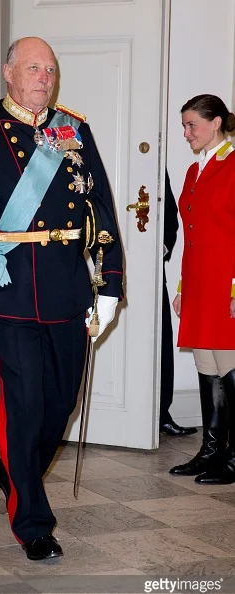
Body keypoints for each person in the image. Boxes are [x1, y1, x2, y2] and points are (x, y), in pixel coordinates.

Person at [0, 37, 123, 560]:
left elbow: (99, 207)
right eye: (34, 67)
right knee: (24, 402)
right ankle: (32, 522)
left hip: (65, 287)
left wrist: (111, 285)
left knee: (59, 406)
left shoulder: (72, 128)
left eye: (51, 70)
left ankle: (11, 470)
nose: (44, 77)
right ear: (9, 73)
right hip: (3, 290)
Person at [170, 94, 235, 484]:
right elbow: (192, 236)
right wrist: (182, 287)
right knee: (207, 367)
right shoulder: (195, 171)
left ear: (217, 123)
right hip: (199, 283)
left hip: (225, 284)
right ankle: (212, 451)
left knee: (229, 367)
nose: (186, 132)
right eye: (184, 125)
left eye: (192, 124)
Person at [160, 171, 197, 436]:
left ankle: (161, 412)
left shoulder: (153, 160)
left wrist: (158, 248)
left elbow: (169, 213)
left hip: (148, 264)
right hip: (101, 263)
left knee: (160, 339)